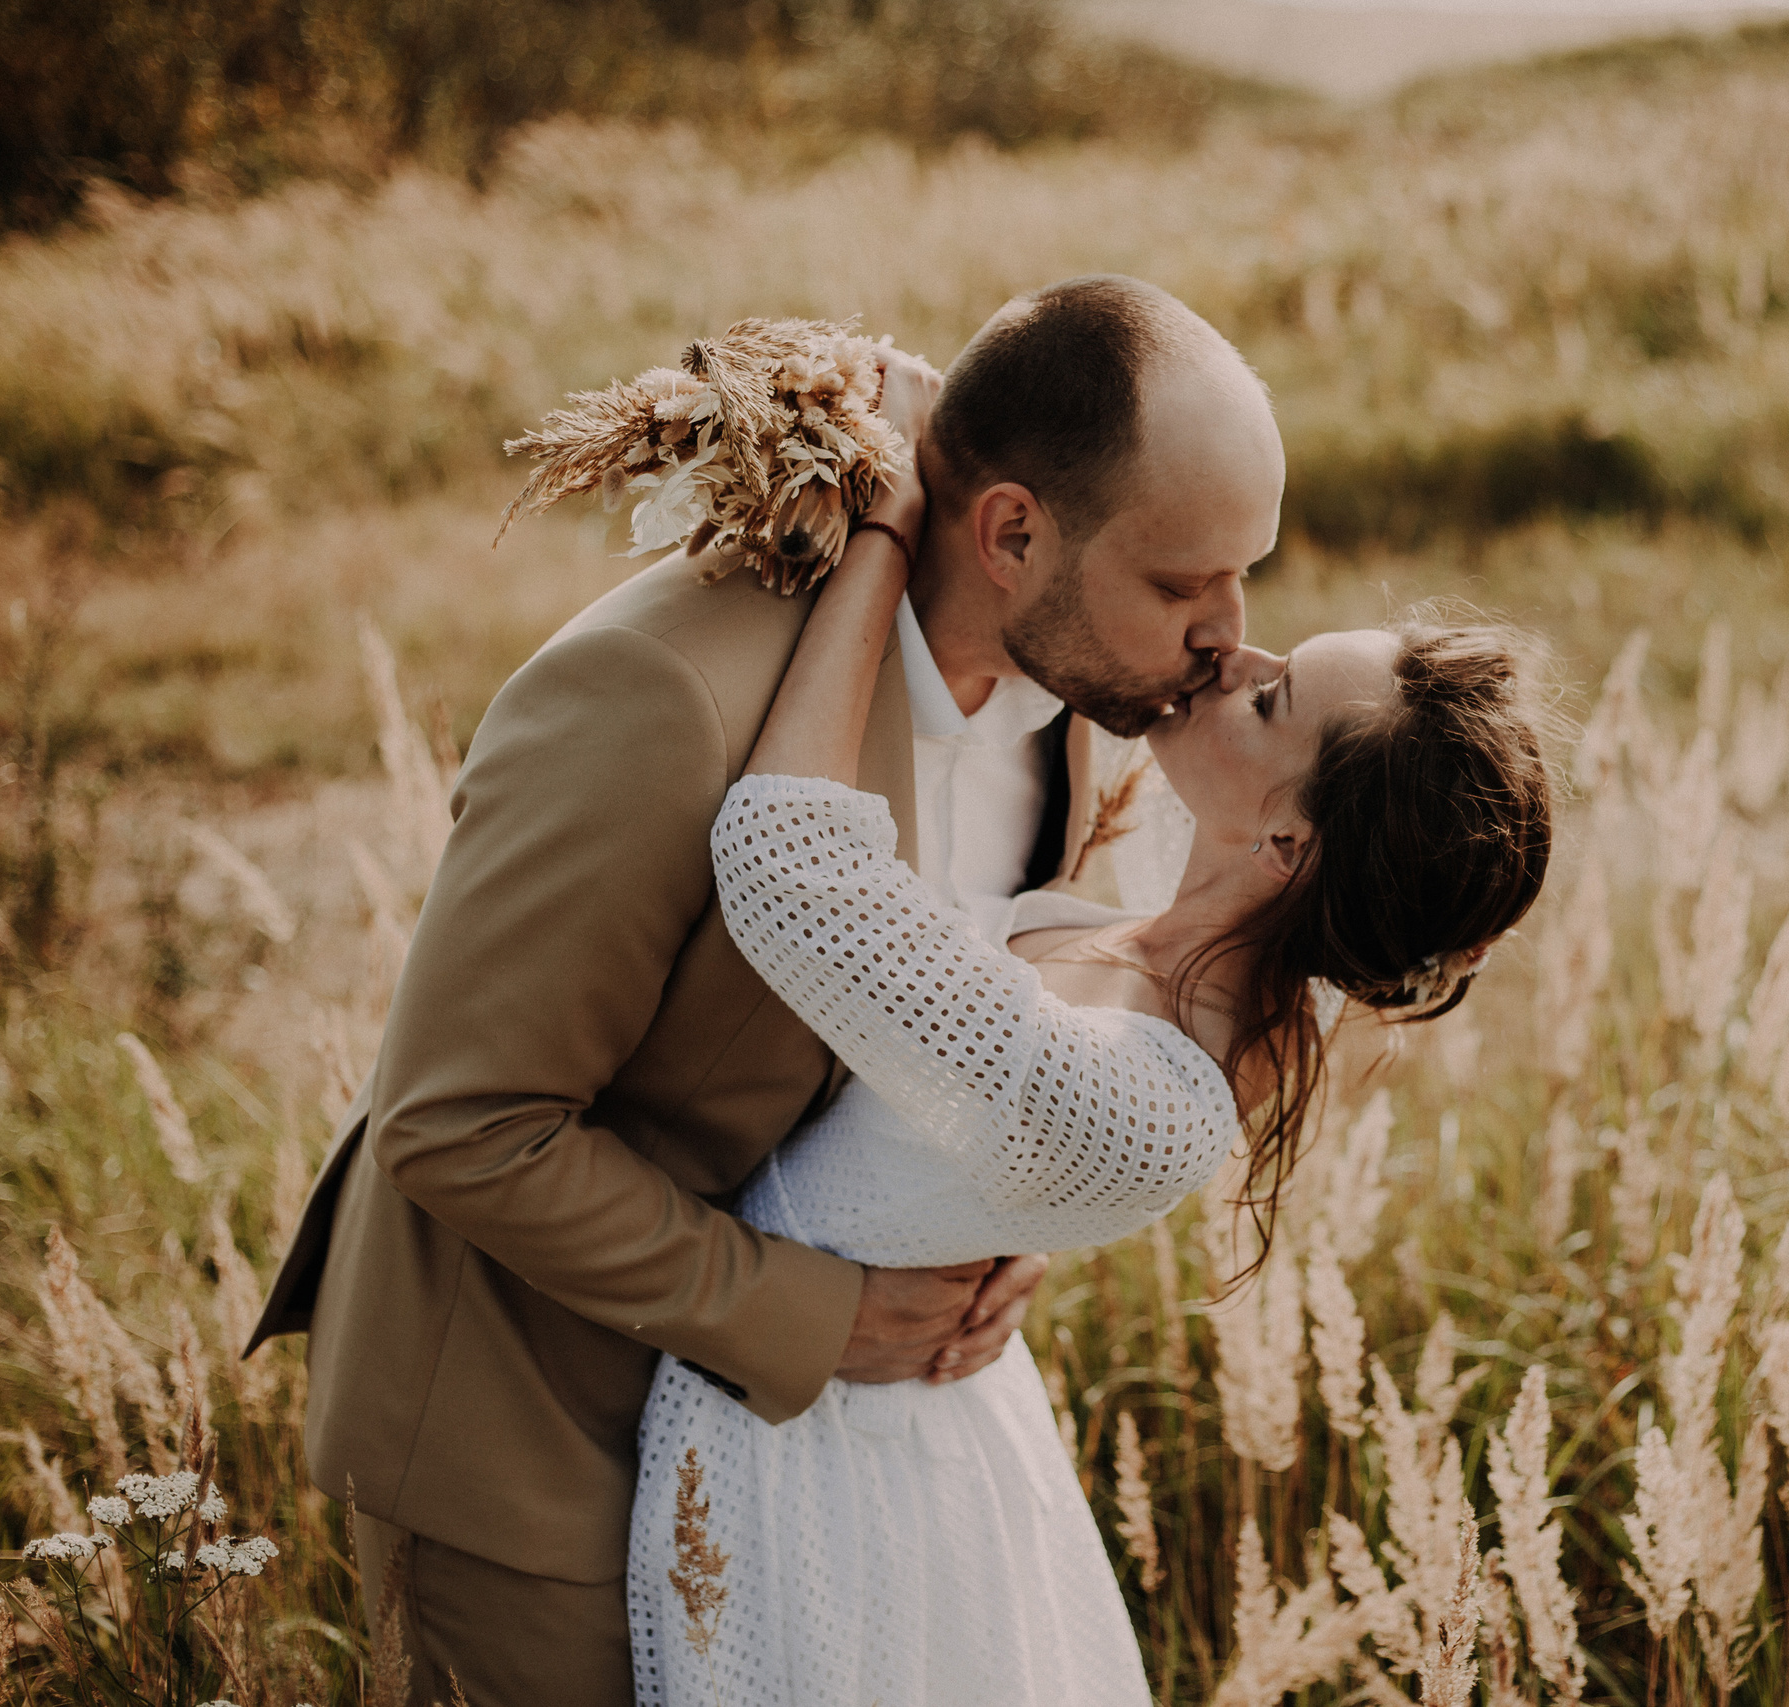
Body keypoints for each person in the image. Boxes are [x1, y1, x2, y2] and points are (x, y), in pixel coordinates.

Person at [246, 275, 1288, 1704]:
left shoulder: (1080, 712)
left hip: (804, 1475)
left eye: (1248, 575)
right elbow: (459, 1122)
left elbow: (930, 1032)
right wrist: (811, 1316)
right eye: (1183, 584)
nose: (1229, 633)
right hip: (534, 1451)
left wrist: (992, 1216)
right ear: (1011, 532)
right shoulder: (660, 693)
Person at [622, 366, 1556, 1701]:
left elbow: (787, 864)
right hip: (870, 1422)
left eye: (1277, 698)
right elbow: (1083, 624)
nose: (1236, 653)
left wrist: (890, 528)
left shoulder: (1143, 1092)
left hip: (836, 1499)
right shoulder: (1185, 919)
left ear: (1290, 842)